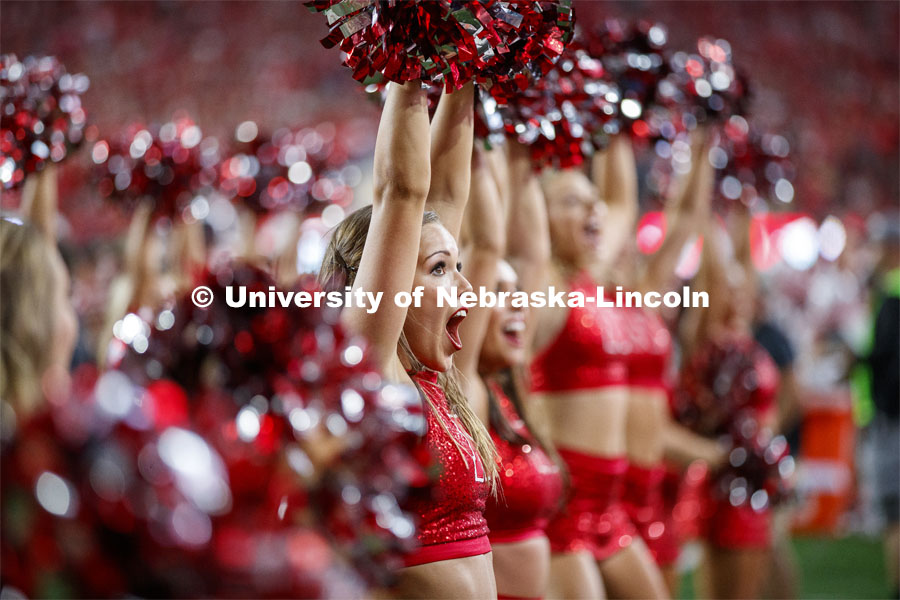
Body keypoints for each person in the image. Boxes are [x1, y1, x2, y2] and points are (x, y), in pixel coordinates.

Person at [317, 81, 498, 599]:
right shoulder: (371, 373)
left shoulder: (431, 382)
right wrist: (403, 58)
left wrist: (464, 69)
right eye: (440, 270)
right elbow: (403, 193)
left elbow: (442, 198)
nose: (465, 287)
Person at [521, 134, 669, 599]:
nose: (594, 211)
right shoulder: (539, 287)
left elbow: (621, 201)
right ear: (537, 216)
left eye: (592, 202)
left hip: (610, 505)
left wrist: (611, 121)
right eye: (571, 201)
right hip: (566, 506)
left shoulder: (589, 276)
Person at [454, 141, 564, 599]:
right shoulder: (464, 389)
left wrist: (522, 145)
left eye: (518, 290)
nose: (520, 301)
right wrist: (476, 138)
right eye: (497, 291)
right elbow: (488, 242)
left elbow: (533, 253)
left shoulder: (507, 389)